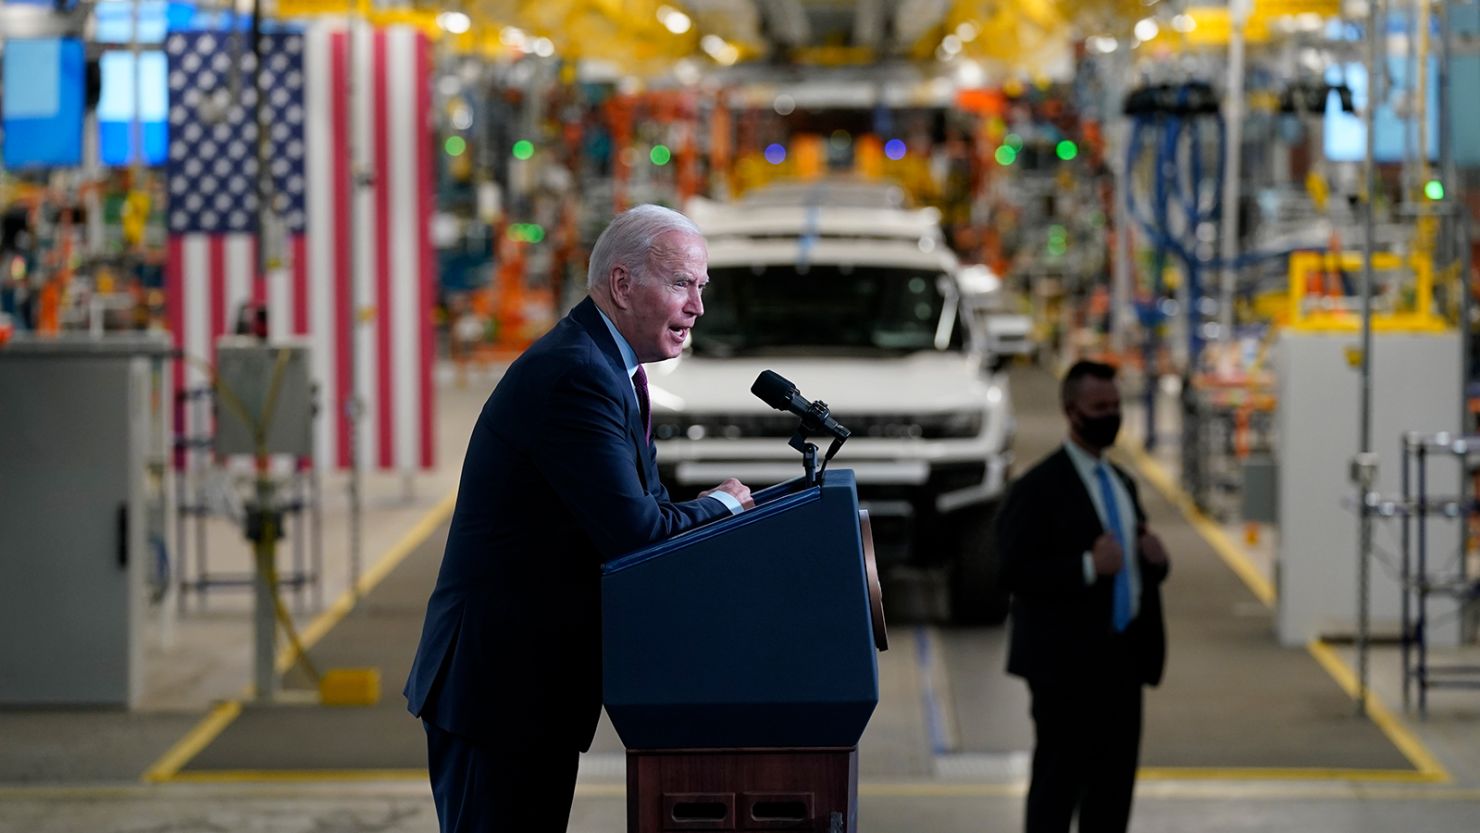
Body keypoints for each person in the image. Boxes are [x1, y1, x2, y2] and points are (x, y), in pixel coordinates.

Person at [403, 204, 753, 832]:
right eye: (681, 284)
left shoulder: (608, 369)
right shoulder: (576, 375)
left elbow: (643, 510)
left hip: (528, 691)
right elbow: (638, 533)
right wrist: (725, 505)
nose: (697, 307)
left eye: (701, 287)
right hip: (499, 691)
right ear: (622, 284)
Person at [996, 359, 1170, 833]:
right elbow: (1012, 571)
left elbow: (1134, 568)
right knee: (1057, 790)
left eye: (1116, 406)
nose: (1111, 415)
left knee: (1112, 797)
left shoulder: (1122, 483)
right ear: (1072, 412)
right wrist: (1088, 566)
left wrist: (1156, 561)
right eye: (1100, 407)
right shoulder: (1036, 489)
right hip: (1065, 670)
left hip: (1123, 664)